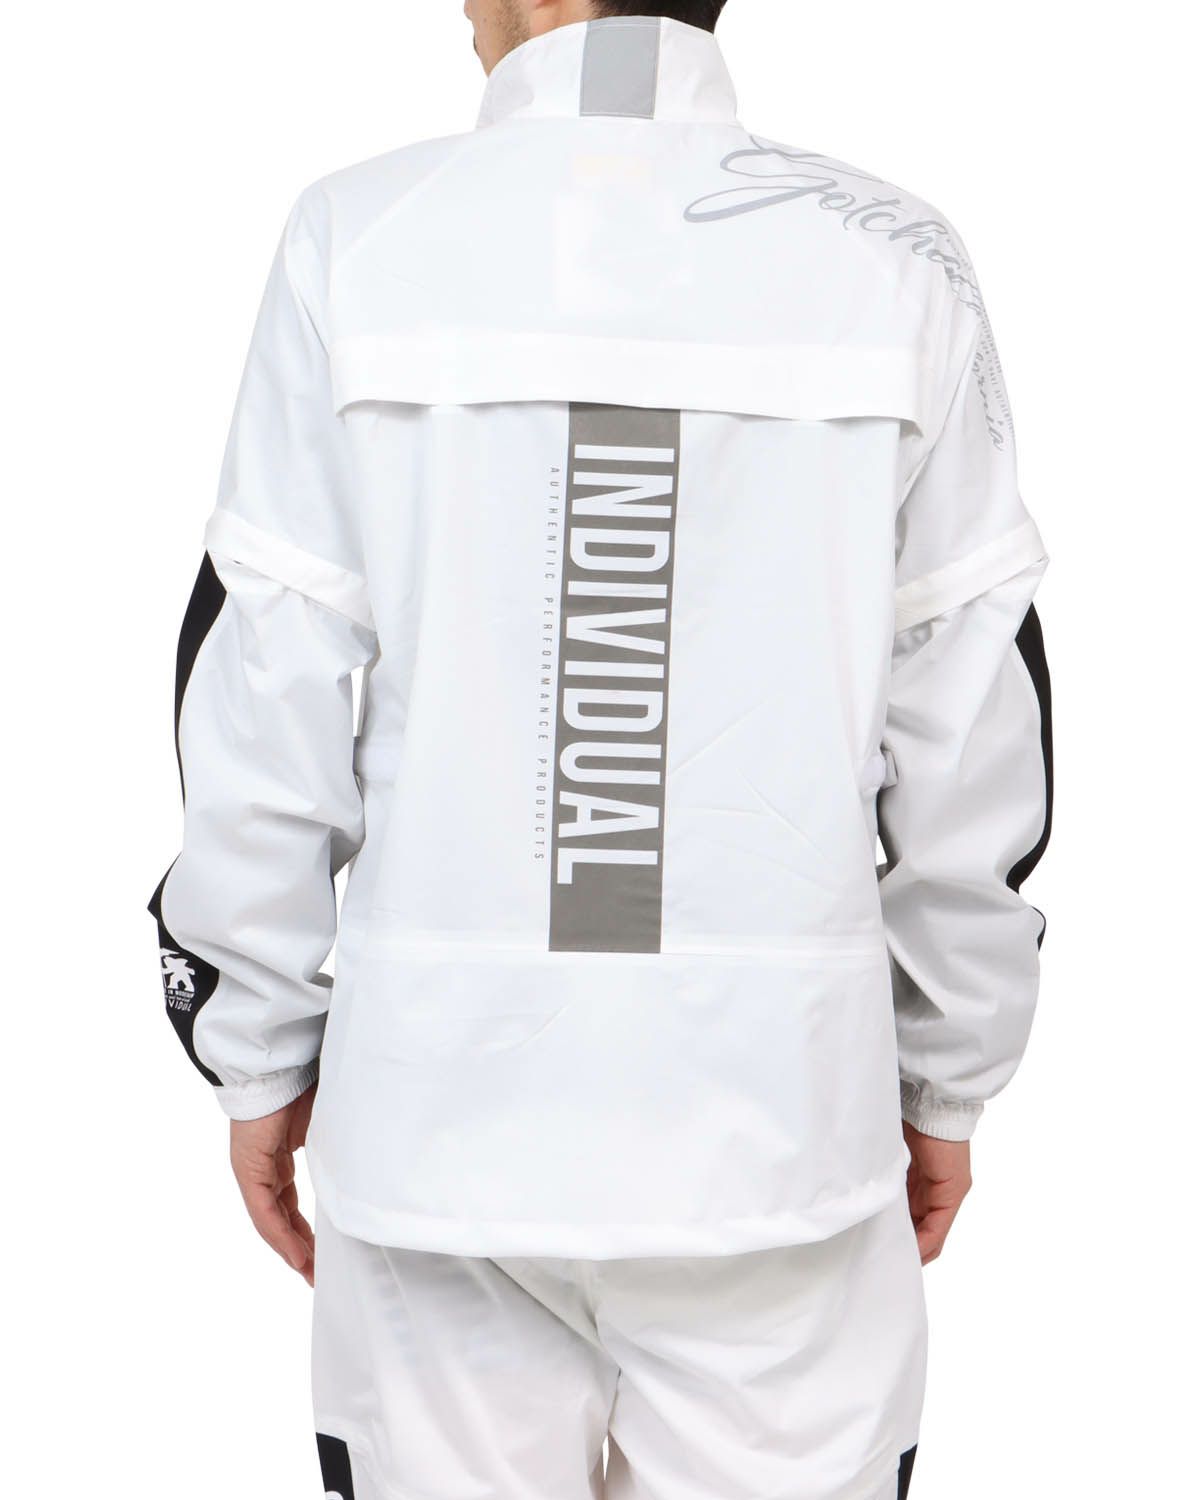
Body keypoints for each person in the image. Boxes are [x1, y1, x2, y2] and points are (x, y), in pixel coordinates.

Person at [147, 3, 1053, 1496]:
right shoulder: (899, 260)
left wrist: (257, 1053)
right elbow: (970, 723)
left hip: (437, 1148)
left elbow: (267, 686)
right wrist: (950, 1072)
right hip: (784, 1150)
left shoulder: (357, 240)